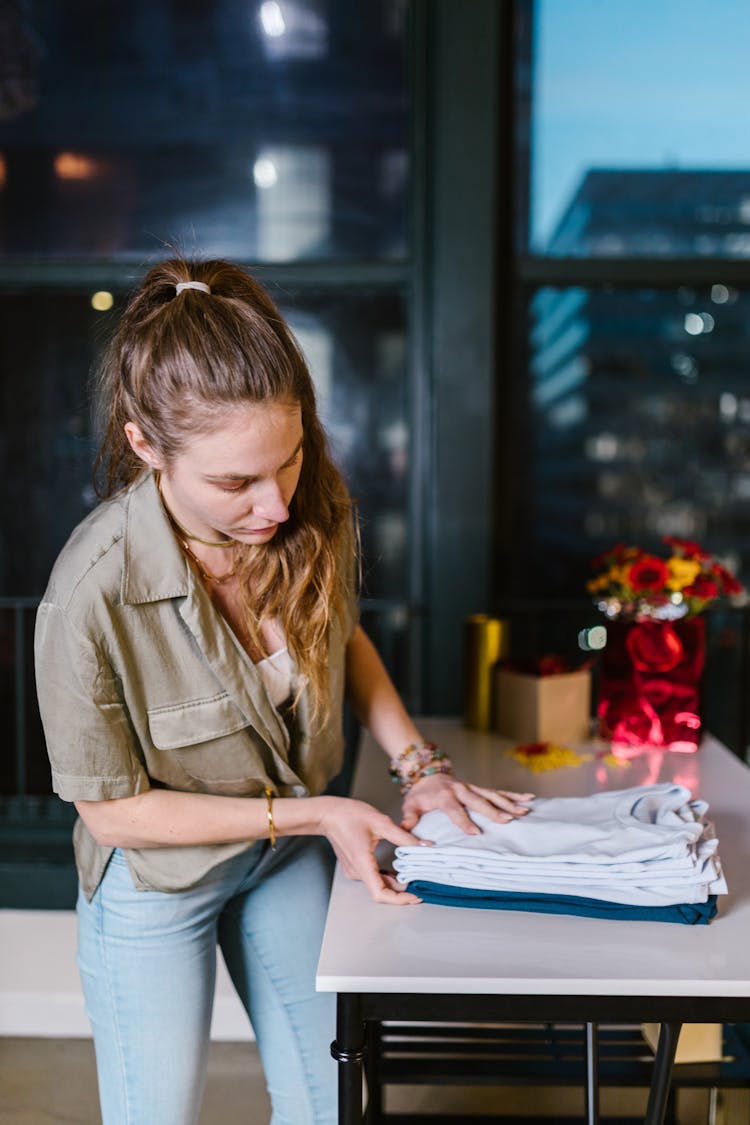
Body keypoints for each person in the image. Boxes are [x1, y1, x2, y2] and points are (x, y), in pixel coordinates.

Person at [34, 257, 532, 1125]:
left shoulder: (313, 507)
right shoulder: (89, 593)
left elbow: (344, 636)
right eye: (234, 483)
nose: (274, 505)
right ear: (146, 445)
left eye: (289, 461)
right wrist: (318, 813)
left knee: (328, 1099)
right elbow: (113, 814)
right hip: (160, 875)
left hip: (286, 852)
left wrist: (419, 765)